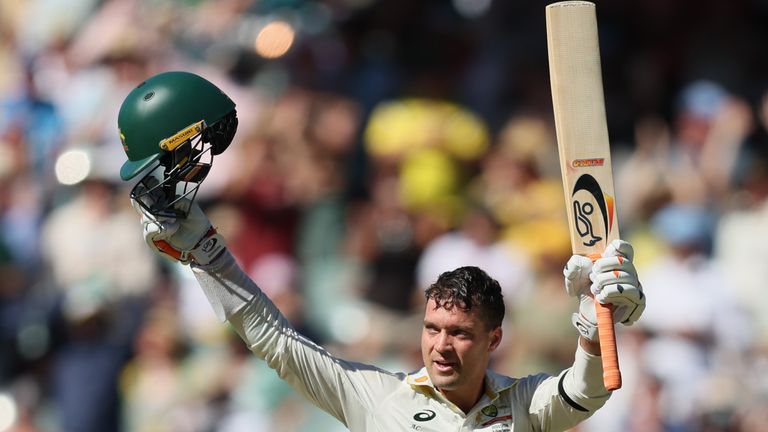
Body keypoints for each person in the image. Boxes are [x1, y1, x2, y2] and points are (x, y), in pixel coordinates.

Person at [117, 71, 646, 431]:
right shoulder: (379, 399)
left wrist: (596, 316)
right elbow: (272, 338)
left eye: (461, 334)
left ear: (495, 339)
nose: (441, 346)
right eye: (433, 329)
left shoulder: (522, 404)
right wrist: (207, 256)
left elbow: (587, 390)